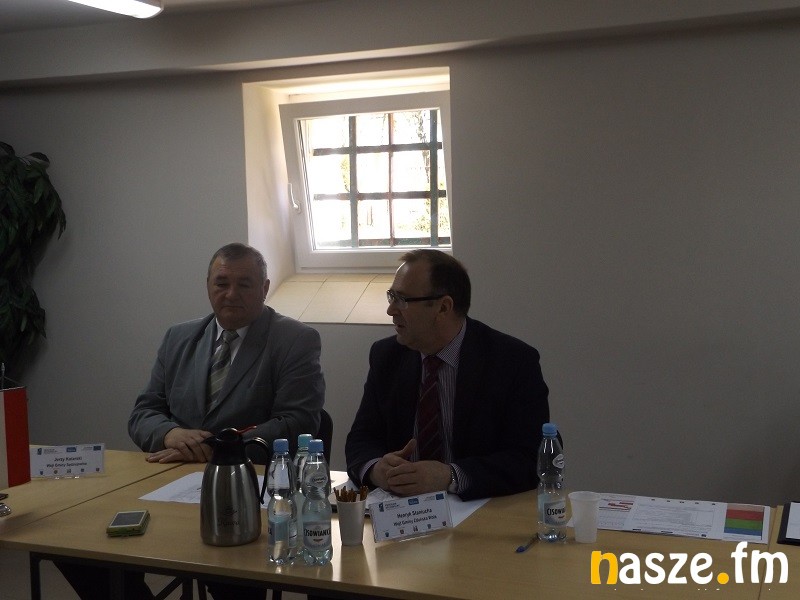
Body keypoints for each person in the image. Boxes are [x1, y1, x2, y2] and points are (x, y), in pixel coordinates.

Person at [57, 242, 325, 600]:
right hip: (170, 484)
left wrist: (216, 449)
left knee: (229, 574)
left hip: (246, 490)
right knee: (80, 547)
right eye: (221, 283)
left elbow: (298, 421)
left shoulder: (295, 339)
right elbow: (143, 412)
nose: (231, 294)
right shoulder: (179, 337)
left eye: (244, 284)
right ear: (208, 286)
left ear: (264, 288)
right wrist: (169, 434)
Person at [345, 249, 550, 501]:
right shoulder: (387, 356)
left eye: (402, 300)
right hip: (401, 511)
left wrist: (450, 476)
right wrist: (376, 469)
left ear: (443, 307)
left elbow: (530, 457)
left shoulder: (511, 361)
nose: (390, 310)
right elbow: (361, 438)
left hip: (480, 509)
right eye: (391, 296)